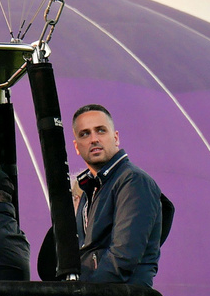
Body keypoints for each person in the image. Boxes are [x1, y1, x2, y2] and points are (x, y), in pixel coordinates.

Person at [69, 104, 163, 286]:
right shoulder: (90, 187)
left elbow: (123, 256)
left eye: (101, 131)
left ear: (116, 137)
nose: (93, 139)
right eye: (85, 134)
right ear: (77, 147)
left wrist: (86, 295)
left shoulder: (133, 180)